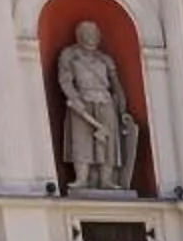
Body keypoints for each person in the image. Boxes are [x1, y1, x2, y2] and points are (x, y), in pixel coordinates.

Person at [55, 21, 132, 192]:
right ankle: (81, 178)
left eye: (94, 33)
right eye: (87, 33)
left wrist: (122, 109)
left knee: (108, 141)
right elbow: (65, 79)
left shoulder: (104, 59)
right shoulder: (70, 55)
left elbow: (116, 85)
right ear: (79, 35)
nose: (91, 37)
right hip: (81, 101)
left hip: (105, 101)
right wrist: (73, 98)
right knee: (81, 139)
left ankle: (106, 179)